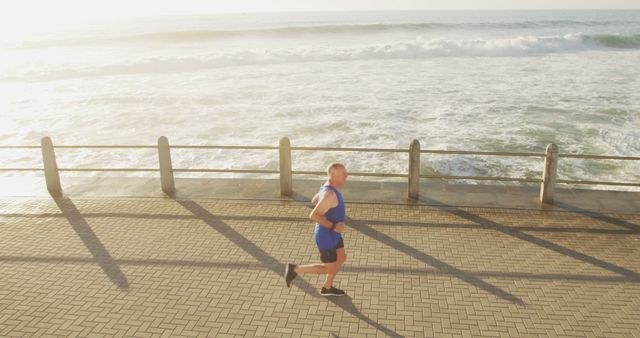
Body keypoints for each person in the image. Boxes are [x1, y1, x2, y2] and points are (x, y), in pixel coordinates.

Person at [284, 162, 348, 296]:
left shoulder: (327, 187)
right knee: (329, 268)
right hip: (326, 237)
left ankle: (327, 287)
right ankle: (295, 270)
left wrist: (328, 209)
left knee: (341, 257)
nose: (346, 176)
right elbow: (313, 215)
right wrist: (333, 225)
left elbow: (314, 200)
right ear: (332, 175)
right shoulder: (330, 194)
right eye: (343, 174)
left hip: (334, 234)